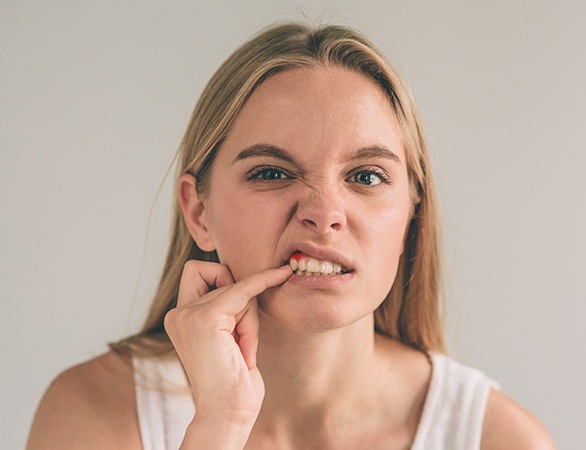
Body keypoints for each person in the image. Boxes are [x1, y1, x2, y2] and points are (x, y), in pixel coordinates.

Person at [27, 23, 555, 449]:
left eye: (366, 176)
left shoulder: (498, 440)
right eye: (272, 173)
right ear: (198, 210)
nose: (324, 214)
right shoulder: (94, 412)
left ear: (411, 218)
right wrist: (218, 428)